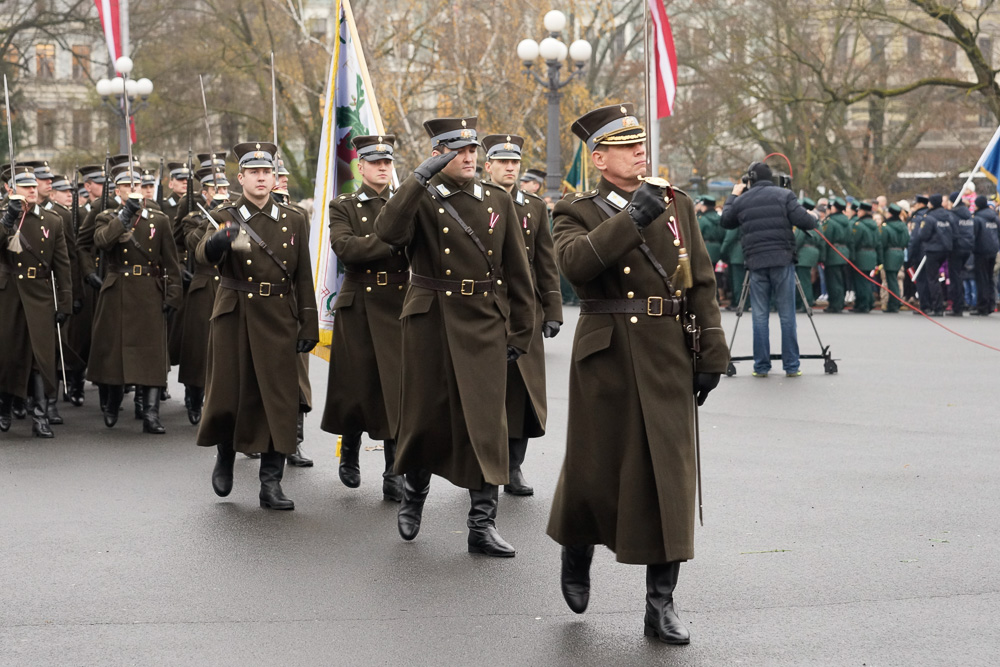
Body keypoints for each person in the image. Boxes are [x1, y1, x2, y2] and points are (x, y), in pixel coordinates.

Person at [545, 104, 726, 646]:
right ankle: (577, 546)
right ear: (599, 159)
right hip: (607, 351)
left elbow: (699, 280)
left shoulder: (677, 204)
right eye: (625, 146)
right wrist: (632, 217)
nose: (639, 151)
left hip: (668, 347)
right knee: (595, 467)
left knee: (669, 475)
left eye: (640, 143)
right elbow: (576, 267)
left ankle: (661, 603)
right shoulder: (574, 209)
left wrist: (712, 353)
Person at [373, 116, 535, 557]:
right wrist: (417, 178)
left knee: (486, 423)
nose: (467, 157)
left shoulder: (497, 199)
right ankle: (413, 497)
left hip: (483, 319)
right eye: (455, 150)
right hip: (431, 318)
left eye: (471, 150)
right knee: (425, 416)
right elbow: (387, 233)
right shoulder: (420, 198)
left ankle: (482, 524)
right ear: (436, 154)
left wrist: (521, 330)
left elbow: (518, 272)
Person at [196, 141, 318, 511]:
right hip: (235, 313)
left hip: (279, 314)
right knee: (229, 393)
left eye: (268, 172)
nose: (262, 178)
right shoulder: (225, 214)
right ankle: (226, 457)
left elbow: (303, 276)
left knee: (277, 400)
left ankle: (271, 483)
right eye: (254, 172)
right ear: (242, 177)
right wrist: (219, 241)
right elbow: (202, 257)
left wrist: (308, 323)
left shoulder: (294, 217)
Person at [321, 134, 408, 501]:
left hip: (399, 303)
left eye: (388, 163)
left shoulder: (405, 204)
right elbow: (346, 248)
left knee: (396, 389)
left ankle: (393, 472)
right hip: (358, 303)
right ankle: (351, 451)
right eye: (376, 163)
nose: (383, 169)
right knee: (355, 386)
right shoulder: (344, 205)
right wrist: (389, 243)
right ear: (361, 167)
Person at [482, 133, 563, 496]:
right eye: (503, 162)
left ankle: (514, 468)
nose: (510, 168)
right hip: (484, 306)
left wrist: (553, 309)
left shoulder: (534, 206)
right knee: (483, 390)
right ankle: (484, 466)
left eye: (515, 163)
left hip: (525, 309)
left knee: (523, 393)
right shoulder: (476, 201)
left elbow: (546, 261)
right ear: (489, 166)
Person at [87, 166, 183, 434]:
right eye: (128, 186)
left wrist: (173, 295)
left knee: (152, 354)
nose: (134, 191)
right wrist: (125, 215)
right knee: (114, 353)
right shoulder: (106, 217)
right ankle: (112, 402)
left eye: (137, 186)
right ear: (117, 191)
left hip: (149, 290)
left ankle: (151, 414)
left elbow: (171, 263)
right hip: (117, 287)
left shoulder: (159, 220)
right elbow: (103, 242)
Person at [721, 161, 815, 377]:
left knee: (760, 316)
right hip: (782, 259)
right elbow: (806, 222)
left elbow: (726, 221)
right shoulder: (784, 195)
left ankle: (761, 366)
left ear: (750, 179)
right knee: (787, 315)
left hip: (755, 262)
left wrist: (734, 195)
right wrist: (814, 218)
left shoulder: (743, 200)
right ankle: (792, 366)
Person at [0, 166, 73, 438]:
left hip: (41, 293)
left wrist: (64, 302)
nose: (32, 190)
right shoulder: (3, 217)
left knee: (41, 357)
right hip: (10, 294)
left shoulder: (52, 221)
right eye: (25, 185)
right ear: (11, 189)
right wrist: (6, 221)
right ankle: (5, 407)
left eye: (34, 185)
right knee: (8, 355)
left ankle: (40, 415)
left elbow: (62, 265)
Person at [919, 194, 954, 317]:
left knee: (932, 279)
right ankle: (944, 303)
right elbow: (954, 231)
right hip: (946, 249)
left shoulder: (929, 217)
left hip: (933, 250)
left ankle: (937, 307)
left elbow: (923, 235)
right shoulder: (949, 215)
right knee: (943, 278)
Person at [945, 191, 974, 316]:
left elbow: (951, 233)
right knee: (960, 276)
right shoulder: (968, 215)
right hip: (968, 248)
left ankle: (957, 306)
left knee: (955, 278)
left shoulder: (953, 215)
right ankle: (960, 303)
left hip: (956, 249)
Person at [821, 198, 852, 313]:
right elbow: (850, 239)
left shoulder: (830, 221)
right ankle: (840, 302)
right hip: (844, 252)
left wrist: (822, 257)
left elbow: (826, 239)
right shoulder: (847, 221)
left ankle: (835, 304)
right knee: (841, 279)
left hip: (833, 253)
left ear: (834, 208)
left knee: (833, 280)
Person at [794, 198, 824, 311]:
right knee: (806, 279)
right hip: (813, 252)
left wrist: (793, 250)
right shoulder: (817, 221)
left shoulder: (803, 219)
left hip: (804, 254)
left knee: (803, 280)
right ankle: (805, 302)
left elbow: (799, 238)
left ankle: (804, 304)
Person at [879, 202, 910, 313]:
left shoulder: (886, 227)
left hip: (890, 254)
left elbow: (882, 242)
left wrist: (880, 258)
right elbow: (907, 241)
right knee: (894, 279)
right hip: (900, 253)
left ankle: (894, 303)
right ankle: (895, 302)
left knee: (891, 280)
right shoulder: (903, 226)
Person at [971, 195, 999, 315]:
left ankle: (982, 306)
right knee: (989, 278)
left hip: (981, 251)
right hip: (993, 250)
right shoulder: (995, 217)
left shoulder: (977, 218)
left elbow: (974, 235)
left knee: (981, 279)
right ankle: (991, 304)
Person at [849, 202, 879, 313]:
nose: (858, 213)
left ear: (863, 212)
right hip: (871, 254)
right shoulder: (874, 225)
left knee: (860, 281)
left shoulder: (859, 225)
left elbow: (854, 241)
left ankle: (863, 304)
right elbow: (878, 242)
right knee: (866, 280)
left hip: (861, 255)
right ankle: (869, 302)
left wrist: (851, 256)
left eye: (859, 211)